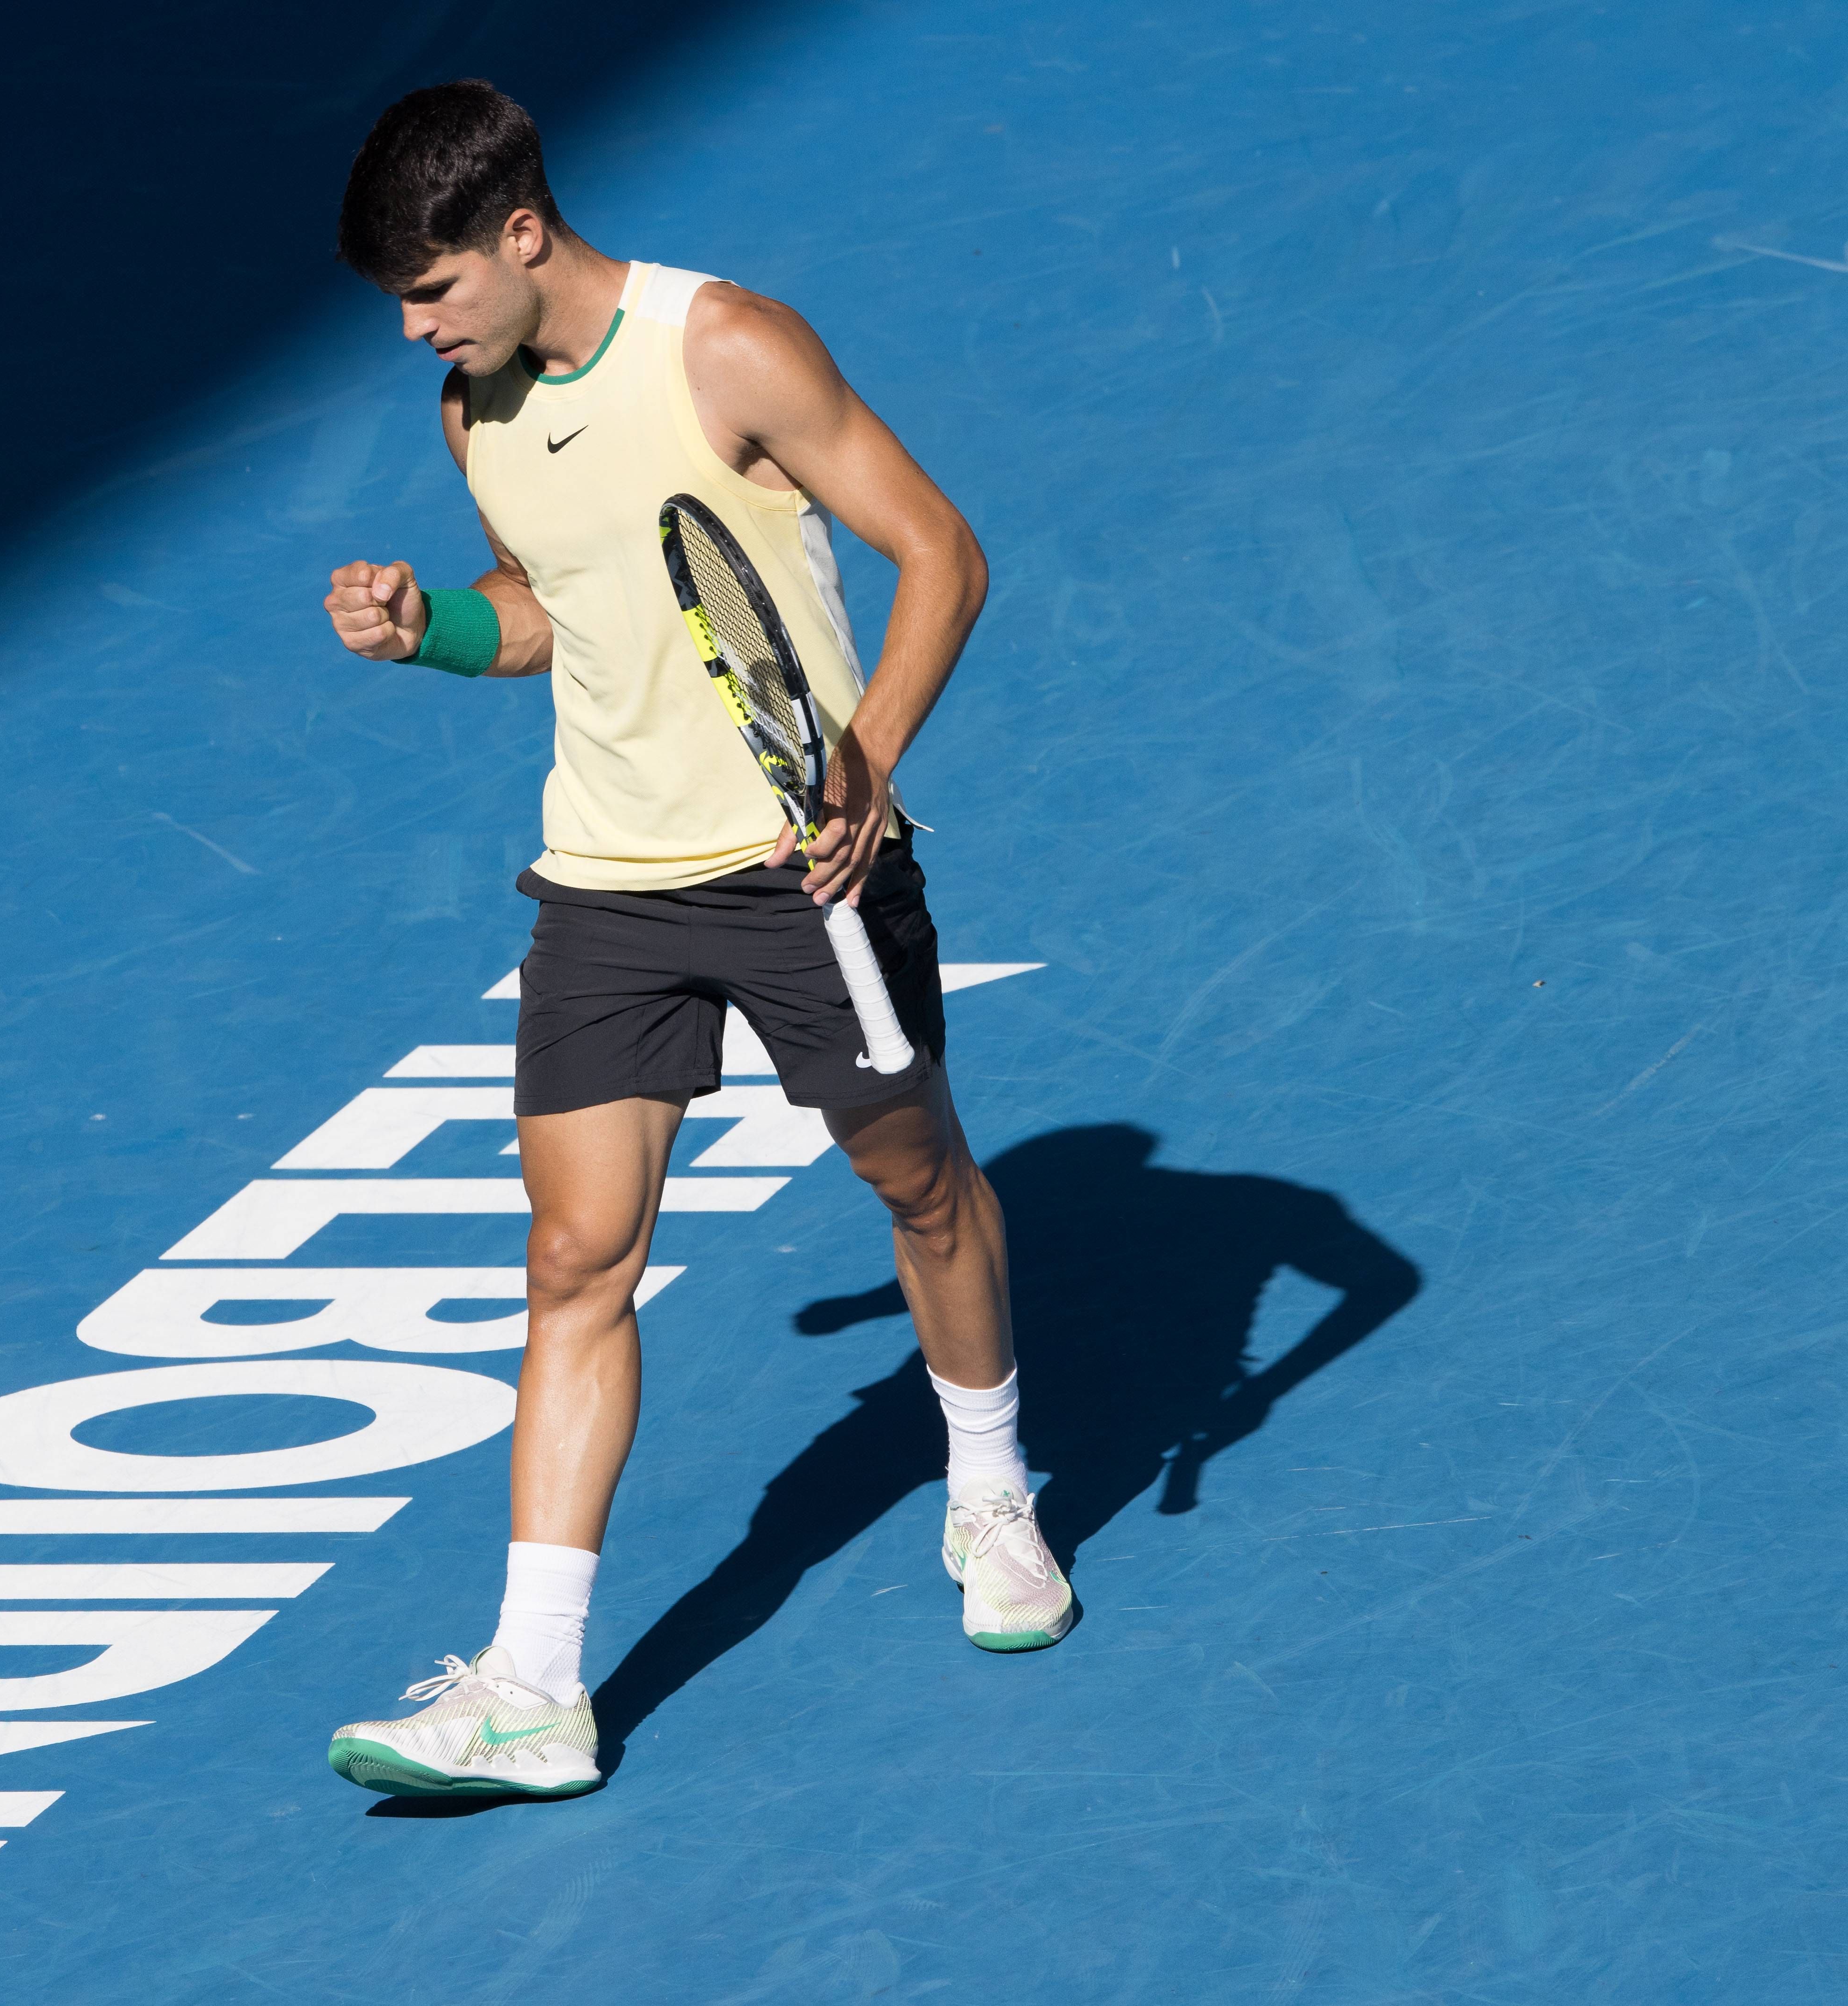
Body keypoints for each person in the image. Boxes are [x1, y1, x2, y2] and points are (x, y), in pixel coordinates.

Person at [316, 80, 1069, 1803]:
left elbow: (939, 552)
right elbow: (549, 613)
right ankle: (533, 1688)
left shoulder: (724, 346)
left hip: (804, 870)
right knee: (574, 1259)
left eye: (431, 290)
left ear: (520, 231)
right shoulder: (473, 406)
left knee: (918, 1186)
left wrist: (864, 761)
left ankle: (987, 1489)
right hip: (605, 882)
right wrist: (431, 630)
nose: (415, 329)